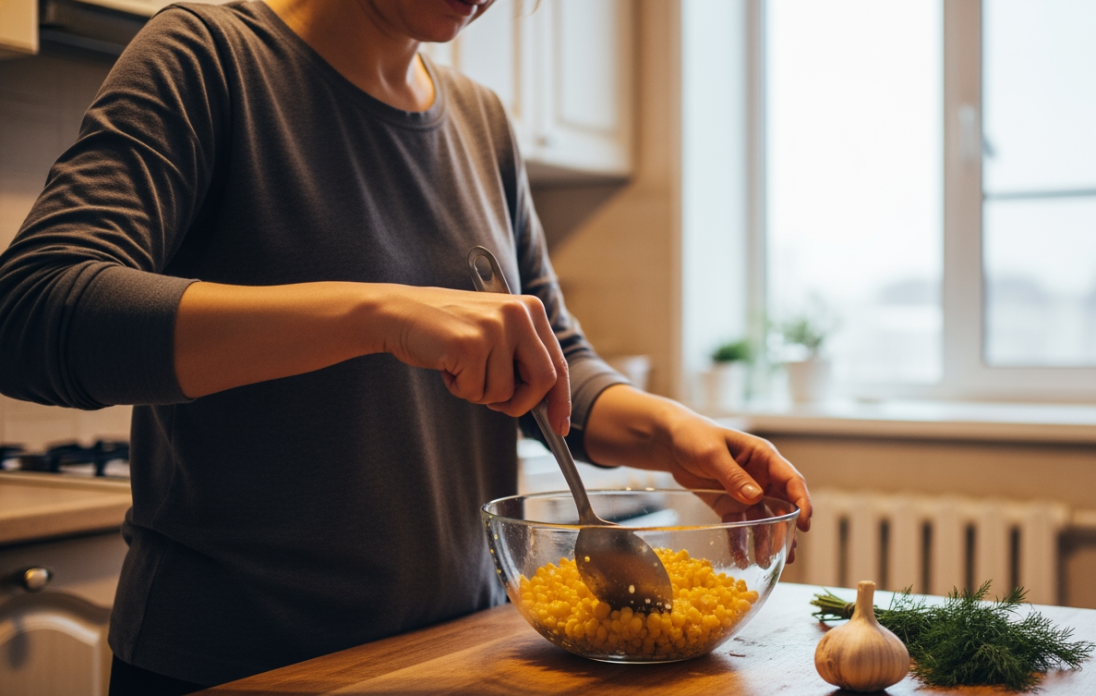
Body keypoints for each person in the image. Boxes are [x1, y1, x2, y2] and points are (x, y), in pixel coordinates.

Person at [0, 0, 813, 693]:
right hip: (235, 666)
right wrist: (379, 313)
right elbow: (32, 312)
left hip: (450, 652)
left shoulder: (481, 120)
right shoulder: (209, 57)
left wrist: (667, 432)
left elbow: (552, 357)